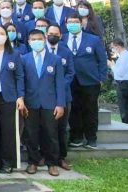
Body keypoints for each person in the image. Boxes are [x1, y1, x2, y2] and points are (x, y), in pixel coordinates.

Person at [20, 29, 66, 176]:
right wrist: (21, 99)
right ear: (29, 42)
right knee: (31, 133)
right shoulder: (24, 59)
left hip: (50, 103)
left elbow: (60, 84)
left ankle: (52, 163)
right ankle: (33, 162)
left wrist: (60, 104)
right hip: (30, 103)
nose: (36, 42)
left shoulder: (55, 59)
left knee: (51, 133)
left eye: (39, 39)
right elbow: (21, 82)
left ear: (45, 39)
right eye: (33, 39)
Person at [0, 25, 25, 174]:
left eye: (2, 33)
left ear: (6, 36)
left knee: (8, 130)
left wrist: (20, 96)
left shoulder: (14, 54)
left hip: (8, 96)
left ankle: (7, 162)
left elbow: (19, 76)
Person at [65, 13, 107, 149]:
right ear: (66, 24)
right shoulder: (62, 39)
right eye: (70, 22)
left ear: (81, 23)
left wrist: (102, 78)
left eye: (75, 22)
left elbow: (102, 60)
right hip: (70, 81)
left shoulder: (93, 39)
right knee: (74, 110)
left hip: (90, 80)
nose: (73, 24)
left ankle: (91, 138)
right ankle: (76, 137)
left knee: (90, 110)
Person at [45, 24, 75, 170]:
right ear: (46, 34)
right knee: (45, 128)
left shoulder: (66, 52)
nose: (53, 36)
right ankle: (45, 155)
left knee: (62, 128)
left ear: (61, 36)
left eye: (56, 34)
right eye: (50, 33)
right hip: (45, 95)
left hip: (63, 95)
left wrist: (59, 84)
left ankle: (61, 157)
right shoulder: (41, 51)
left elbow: (70, 72)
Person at [110, 38, 128, 125]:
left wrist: (111, 65)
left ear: (118, 46)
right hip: (125, 84)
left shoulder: (125, 56)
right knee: (126, 107)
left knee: (125, 108)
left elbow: (120, 73)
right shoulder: (124, 56)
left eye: (112, 47)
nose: (112, 50)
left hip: (125, 84)